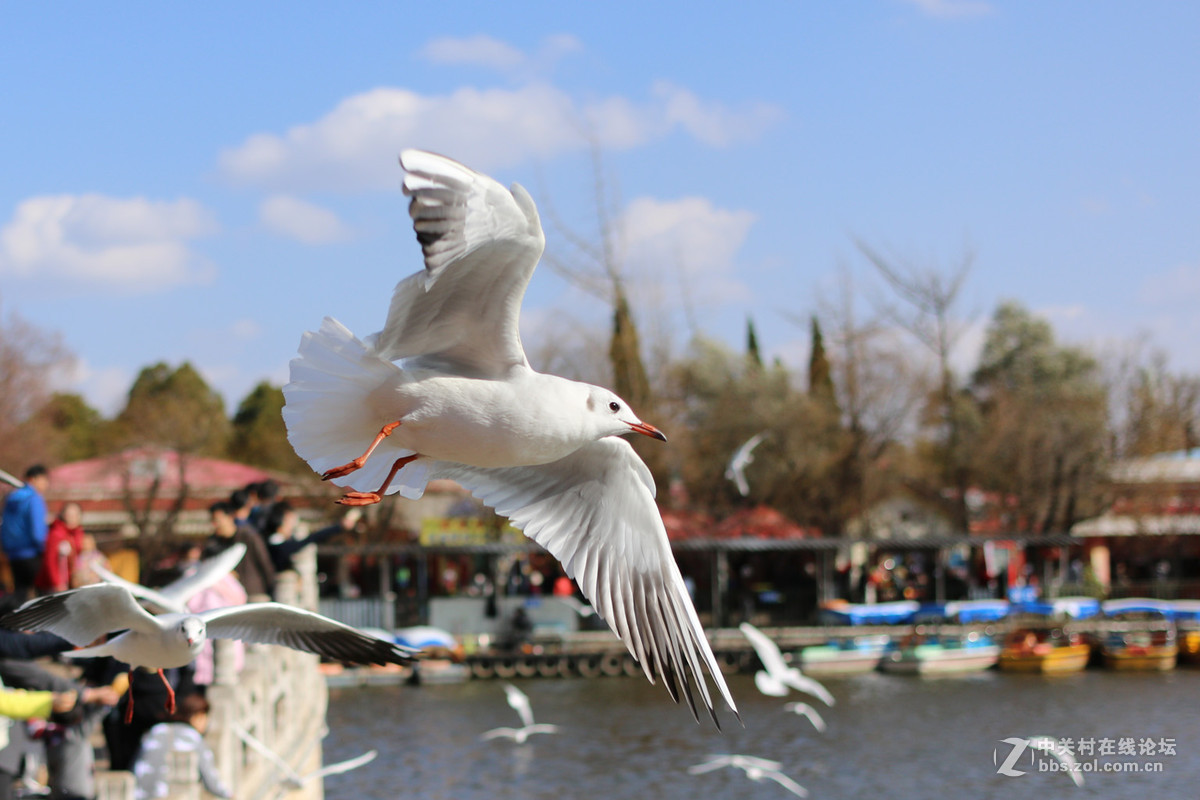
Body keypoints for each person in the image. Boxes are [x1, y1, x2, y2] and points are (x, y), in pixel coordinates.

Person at [130, 693, 232, 800]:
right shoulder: (193, 737)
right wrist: (230, 796)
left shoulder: (156, 730)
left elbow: (135, 765)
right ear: (198, 717)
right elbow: (211, 782)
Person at [208, 501, 275, 601]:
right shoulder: (213, 543)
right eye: (212, 520)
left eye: (217, 520)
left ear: (230, 517)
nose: (215, 524)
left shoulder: (248, 537)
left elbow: (264, 562)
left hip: (254, 593)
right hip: (228, 597)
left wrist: (271, 588)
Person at [263, 503, 357, 573]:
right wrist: (338, 527)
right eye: (290, 521)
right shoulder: (276, 545)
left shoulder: (283, 541)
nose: (292, 525)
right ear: (281, 521)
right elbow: (310, 539)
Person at [1, 465, 50, 600]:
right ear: (33, 479)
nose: (46, 484)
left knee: (20, 595)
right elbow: (38, 531)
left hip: (13, 555)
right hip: (32, 554)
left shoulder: (10, 499)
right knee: (44, 596)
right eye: (44, 480)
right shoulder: (34, 499)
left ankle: (16, 621)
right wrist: (44, 549)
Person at [35, 502, 85, 595]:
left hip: (69, 581)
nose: (72, 518)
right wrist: (57, 583)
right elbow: (50, 561)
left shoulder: (77, 533)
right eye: (69, 515)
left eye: (75, 515)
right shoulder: (57, 533)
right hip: (52, 585)